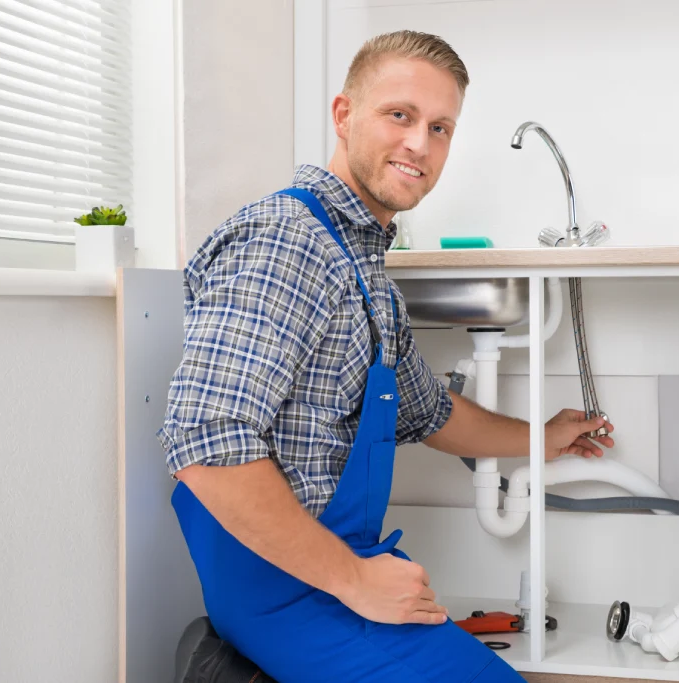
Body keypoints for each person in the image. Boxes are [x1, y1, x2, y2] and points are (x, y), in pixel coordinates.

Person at [158, 29, 615, 683]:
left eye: (440, 127)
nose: (419, 144)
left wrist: (543, 437)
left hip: (332, 572)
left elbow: (432, 413)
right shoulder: (289, 242)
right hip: (286, 589)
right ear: (344, 115)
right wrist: (356, 581)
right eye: (399, 115)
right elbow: (207, 446)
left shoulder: (366, 273)